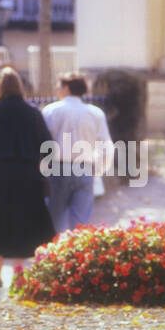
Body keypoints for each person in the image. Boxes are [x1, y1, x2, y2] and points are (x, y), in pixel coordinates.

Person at [0, 68, 55, 288]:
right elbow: (47, 144)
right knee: (23, 222)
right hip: (27, 174)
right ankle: (19, 276)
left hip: (0, 173)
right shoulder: (32, 112)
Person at [41, 74, 112, 232]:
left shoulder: (51, 111)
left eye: (59, 86)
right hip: (85, 168)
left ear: (66, 88)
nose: (57, 90)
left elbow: (43, 143)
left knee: (54, 220)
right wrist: (98, 169)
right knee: (80, 223)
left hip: (58, 168)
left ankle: (53, 254)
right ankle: (75, 255)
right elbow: (106, 145)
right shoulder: (95, 113)